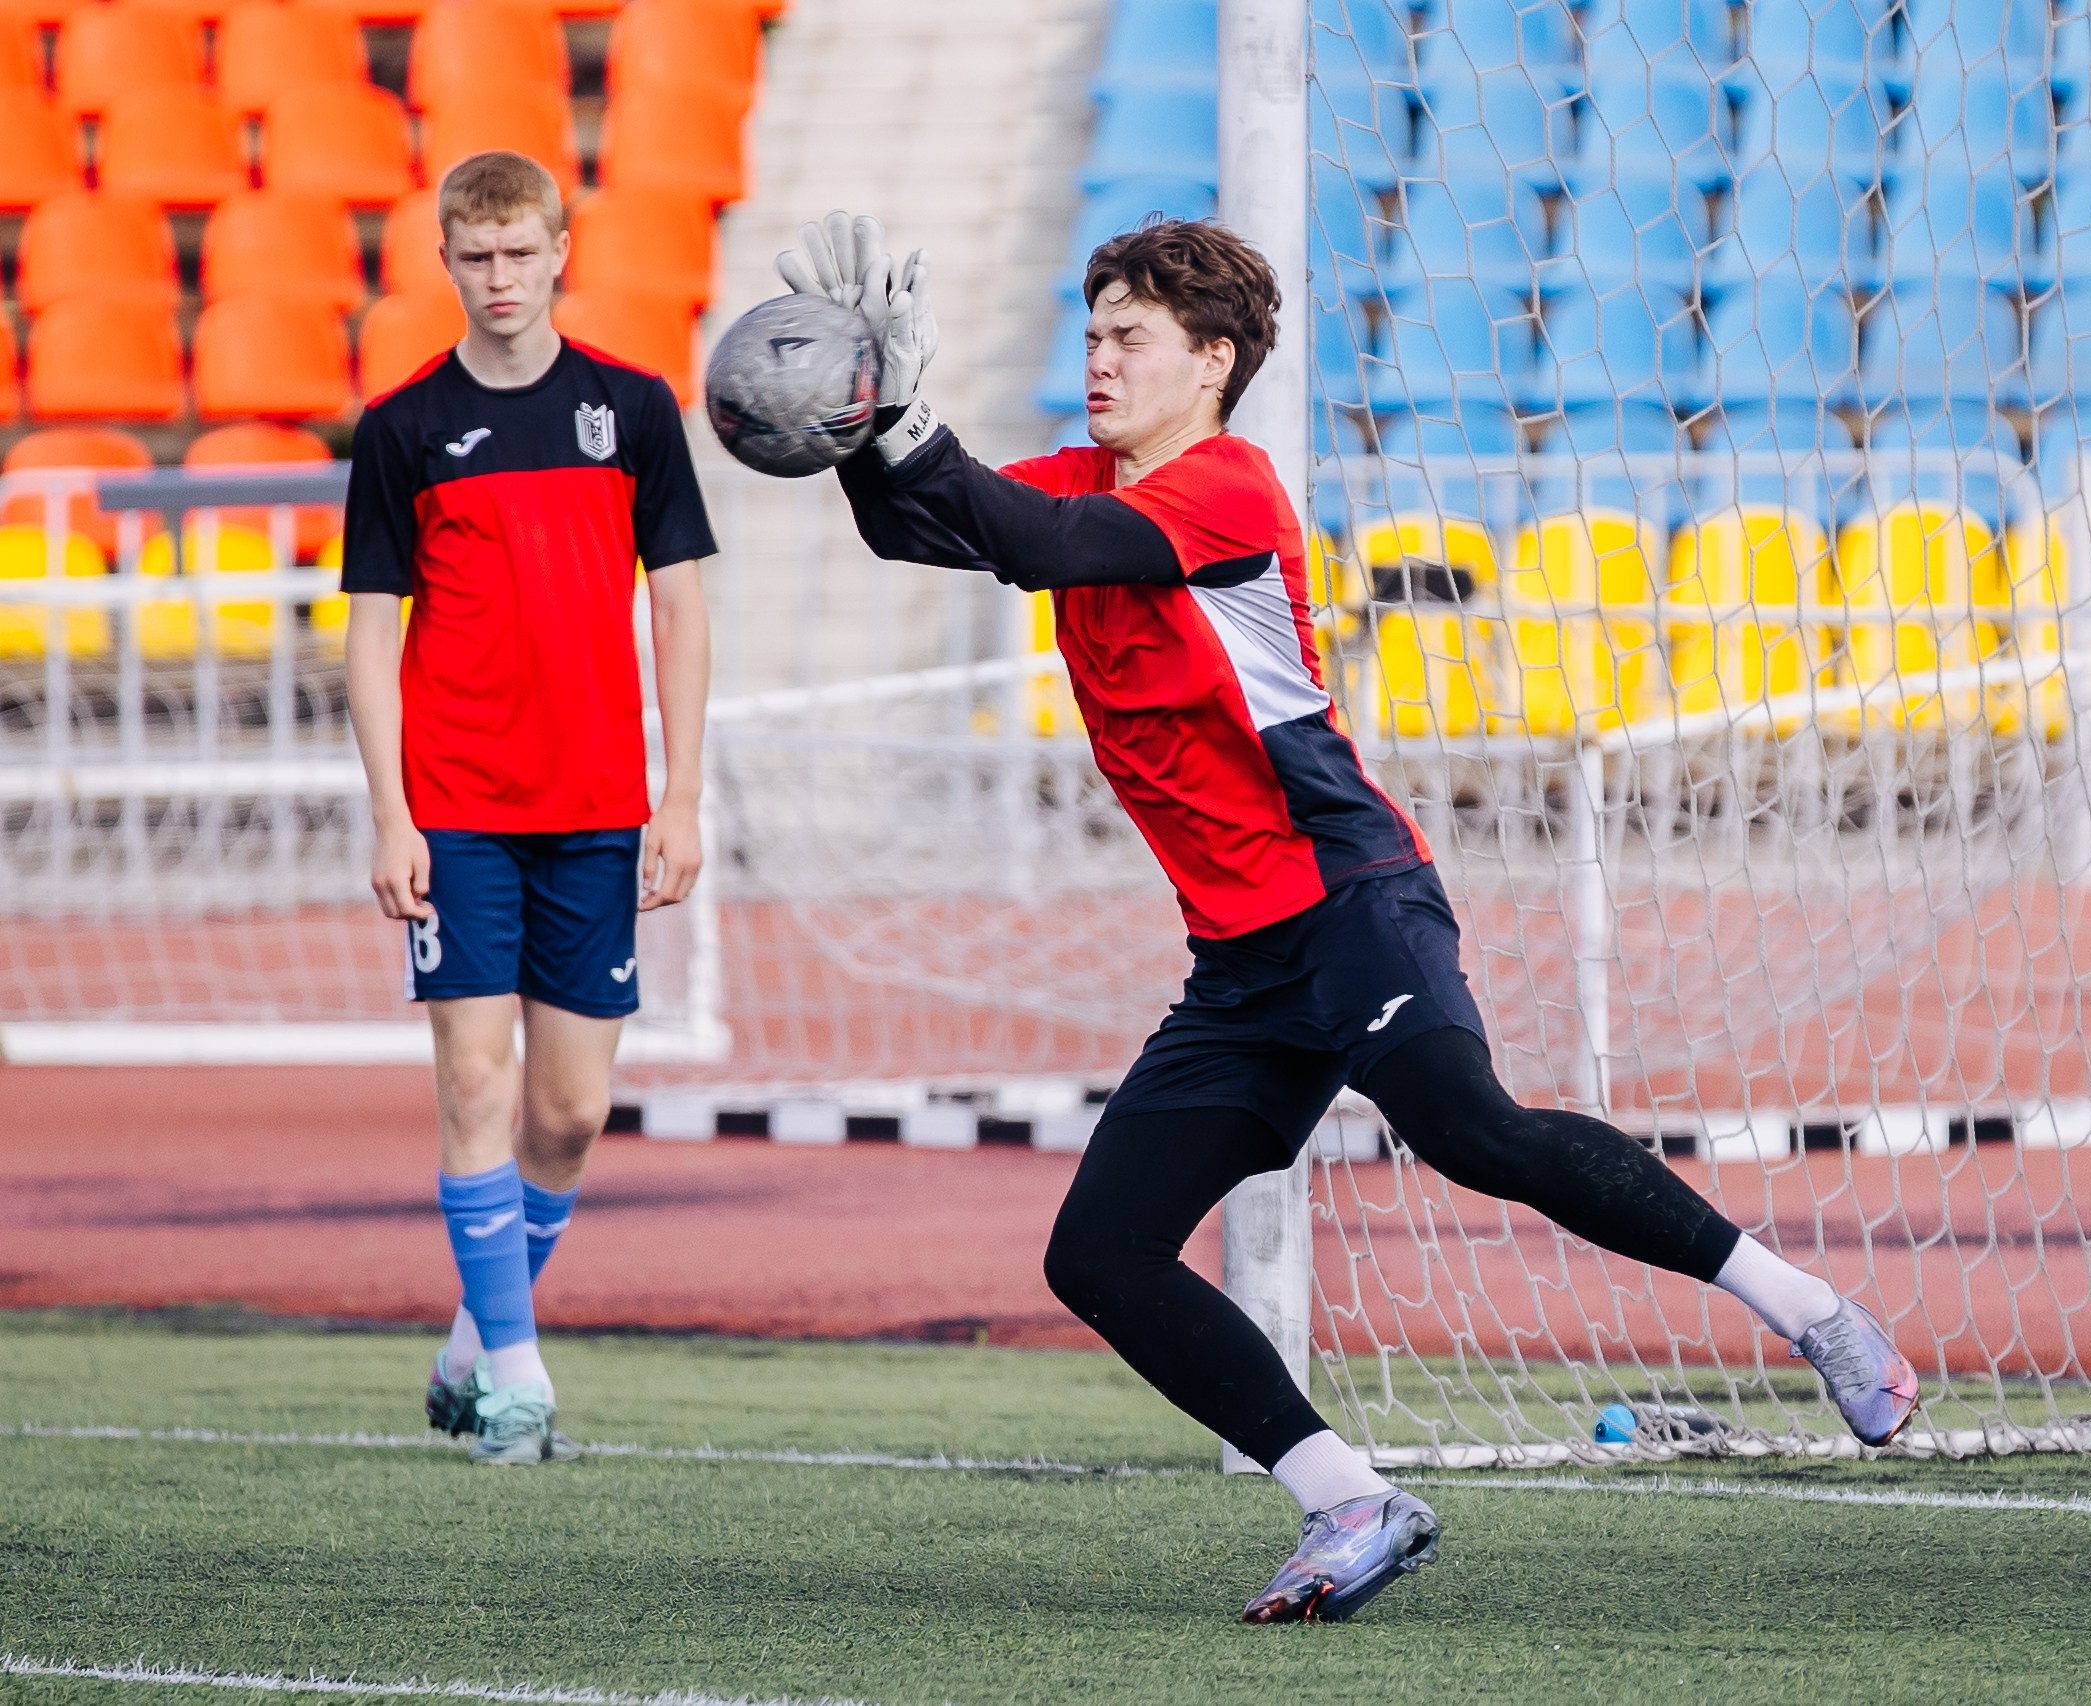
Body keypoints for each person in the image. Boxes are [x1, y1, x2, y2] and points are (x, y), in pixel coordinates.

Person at [783, 212, 1917, 1619]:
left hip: (1350, 896)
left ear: (1212, 362)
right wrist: (860, 413)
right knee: (1100, 1255)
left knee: (1469, 1128)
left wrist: (907, 411)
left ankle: (1812, 1312)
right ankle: (1351, 1498)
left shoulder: (1226, 486)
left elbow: (1029, 536)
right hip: (1243, 959)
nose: (1097, 359)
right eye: (1089, 335)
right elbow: (919, 526)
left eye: (1129, 337)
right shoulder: (1092, 475)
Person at [343, 150, 717, 1466]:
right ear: (445, 262)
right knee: (476, 1083)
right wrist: (391, 812)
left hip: (601, 810)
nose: (500, 278)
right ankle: (516, 1376)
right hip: (457, 812)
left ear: (560, 252)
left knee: (567, 1112)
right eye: (476, 256)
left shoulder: (635, 407)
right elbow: (372, 635)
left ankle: (465, 1337)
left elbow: (677, 602)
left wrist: (681, 795)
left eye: (520, 252)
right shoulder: (400, 429)